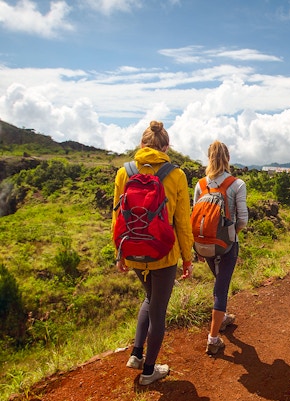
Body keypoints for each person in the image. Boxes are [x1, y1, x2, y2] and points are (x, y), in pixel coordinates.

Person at [112, 121, 194, 385]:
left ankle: (136, 354)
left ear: (141, 144)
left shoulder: (124, 172)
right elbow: (183, 221)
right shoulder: (177, 175)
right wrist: (187, 258)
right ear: (166, 147)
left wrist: (119, 254)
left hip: (133, 250)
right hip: (164, 254)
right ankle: (149, 372)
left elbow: (116, 218)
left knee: (149, 298)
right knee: (158, 309)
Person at [193, 140, 248, 355]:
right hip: (227, 244)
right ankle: (213, 338)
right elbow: (242, 219)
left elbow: (195, 216)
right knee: (222, 288)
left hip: (204, 243)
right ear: (228, 158)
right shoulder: (237, 184)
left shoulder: (200, 185)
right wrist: (232, 234)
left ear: (209, 158)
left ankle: (222, 317)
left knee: (218, 281)